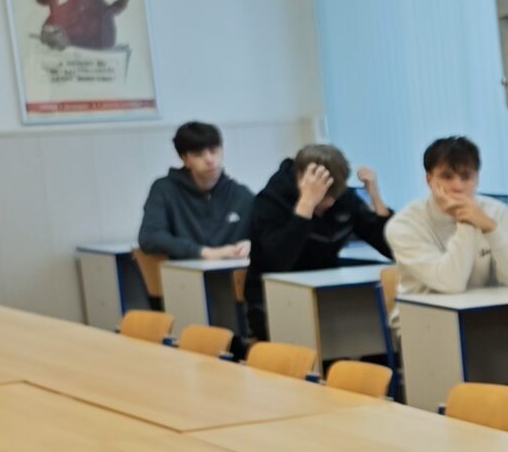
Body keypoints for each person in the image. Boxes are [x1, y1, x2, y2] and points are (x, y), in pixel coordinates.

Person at [242, 141, 391, 341]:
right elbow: (278, 262)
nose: (328, 203)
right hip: (272, 299)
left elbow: (391, 248)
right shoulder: (270, 202)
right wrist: (307, 205)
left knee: (375, 329)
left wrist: (376, 199)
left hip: (328, 297)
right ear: (301, 178)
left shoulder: (343, 198)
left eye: (332, 195)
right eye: (322, 195)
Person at [385, 135, 508, 319]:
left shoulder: (496, 212)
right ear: (429, 180)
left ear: (477, 179)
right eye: (447, 177)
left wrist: (491, 229)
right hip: (423, 319)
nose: (457, 186)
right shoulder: (404, 224)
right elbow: (451, 284)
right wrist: (466, 221)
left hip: (486, 313)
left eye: (466, 177)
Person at [137, 121, 253, 263]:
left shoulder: (241, 195)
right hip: (184, 274)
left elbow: (265, 233)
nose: (209, 159)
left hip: (234, 272)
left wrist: (251, 244)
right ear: (185, 159)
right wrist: (203, 252)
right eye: (199, 154)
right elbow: (150, 237)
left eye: (214, 150)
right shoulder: (164, 189)